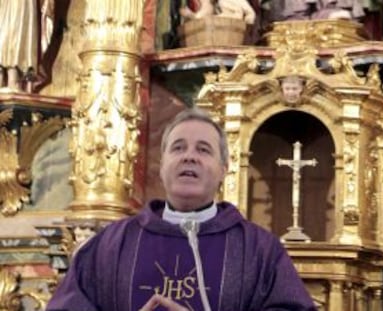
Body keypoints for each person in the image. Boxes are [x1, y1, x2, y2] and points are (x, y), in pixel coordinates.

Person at [46, 108, 316, 310]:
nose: (189, 156)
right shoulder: (109, 247)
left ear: (224, 170)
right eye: (178, 148)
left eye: (203, 149)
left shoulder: (259, 251)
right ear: (162, 166)